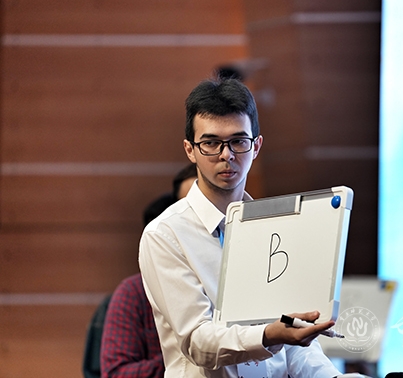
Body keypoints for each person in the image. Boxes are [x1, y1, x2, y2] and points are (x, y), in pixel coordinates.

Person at [138, 77, 342, 377]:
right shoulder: (165, 235)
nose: (226, 155)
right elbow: (198, 342)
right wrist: (268, 335)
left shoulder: (274, 227)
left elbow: (296, 341)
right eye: (210, 143)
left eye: (238, 141)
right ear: (190, 150)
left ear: (256, 146)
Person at [99, 164, 197, 378]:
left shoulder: (234, 279)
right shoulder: (134, 292)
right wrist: (184, 358)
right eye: (190, 207)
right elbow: (116, 373)